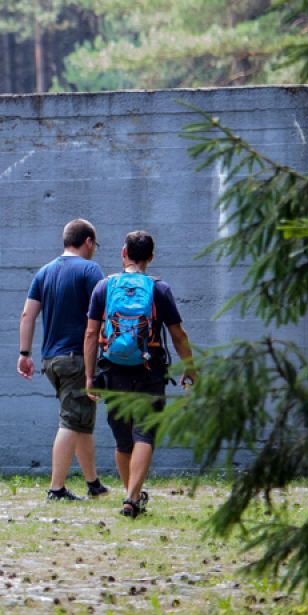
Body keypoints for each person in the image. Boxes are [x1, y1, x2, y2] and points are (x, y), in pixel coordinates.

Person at [83, 230, 195, 518]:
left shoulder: (104, 287)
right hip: (150, 369)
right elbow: (178, 335)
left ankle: (131, 496)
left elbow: (91, 334)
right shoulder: (159, 289)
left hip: (112, 370)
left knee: (123, 439)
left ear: (124, 253)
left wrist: (89, 375)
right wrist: (189, 368)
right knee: (144, 434)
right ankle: (132, 497)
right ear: (151, 257)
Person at [18, 219, 110, 501]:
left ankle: (93, 484)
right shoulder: (90, 269)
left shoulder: (44, 272)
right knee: (71, 422)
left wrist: (24, 354)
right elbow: (103, 314)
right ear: (88, 242)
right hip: (76, 358)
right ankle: (56, 489)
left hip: (51, 361)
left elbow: (28, 315)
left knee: (81, 420)